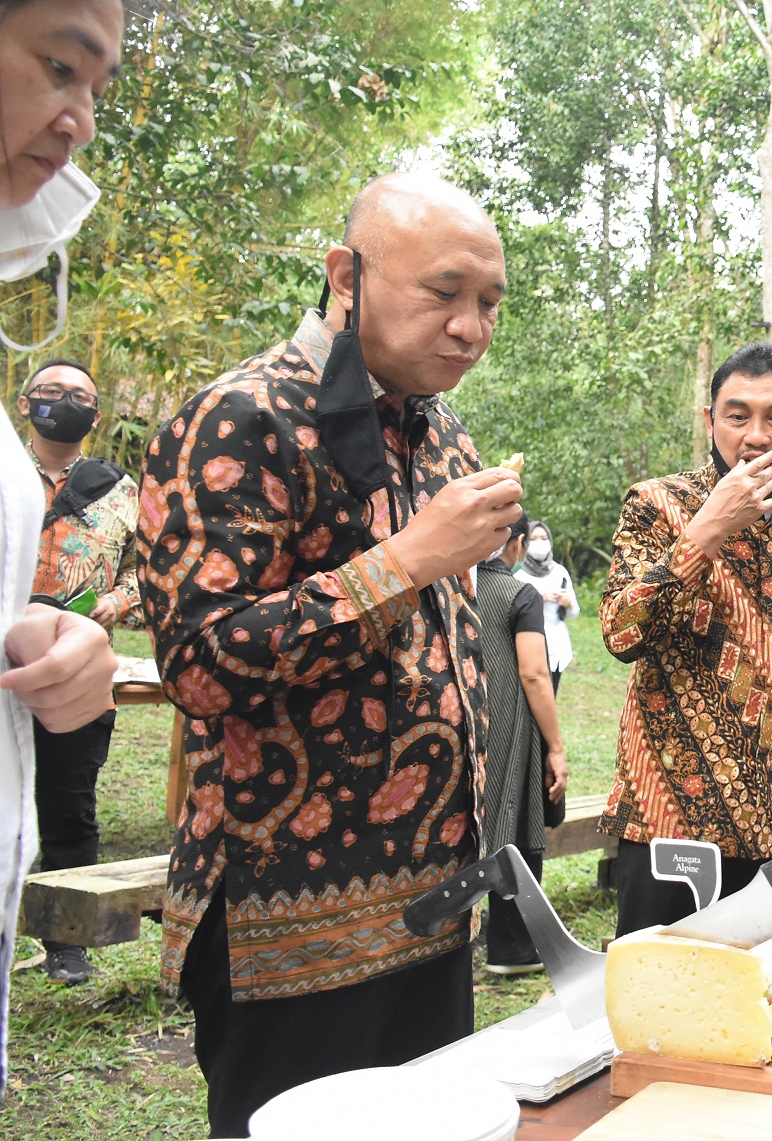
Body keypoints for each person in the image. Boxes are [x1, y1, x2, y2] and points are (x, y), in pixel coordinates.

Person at [138, 172, 521, 1135]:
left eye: (487, 304)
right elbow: (197, 665)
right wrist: (403, 562)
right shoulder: (240, 417)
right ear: (345, 276)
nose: (469, 328)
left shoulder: (440, 433)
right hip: (288, 931)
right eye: (443, 293)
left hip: (432, 908)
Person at [599, 342, 772, 936]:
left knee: (757, 1007)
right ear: (710, 420)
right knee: (654, 1003)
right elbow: (621, 633)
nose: (756, 435)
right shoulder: (658, 505)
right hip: (667, 814)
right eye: (736, 415)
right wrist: (707, 531)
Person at [0, 0, 134, 1092]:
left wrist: (58, 629)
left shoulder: (104, 489)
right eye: (59, 68)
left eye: (99, 89)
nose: (78, 122)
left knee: (74, 805)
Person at [17, 356, 139, 986]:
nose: (66, 402)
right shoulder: (7, 476)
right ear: (24, 403)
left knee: (70, 803)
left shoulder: (120, 487)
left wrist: (109, 605)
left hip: (79, 666)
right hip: (7, 663)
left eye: (80, 396)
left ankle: (67, 943)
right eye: (51, 392)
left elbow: (145, 573)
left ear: (95, 415)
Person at [477, 514, 570, 974]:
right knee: (517, 818)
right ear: (513, 545)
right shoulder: (519, 593)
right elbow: (534, 673)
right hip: (508, 723)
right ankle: (512, 947)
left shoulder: (448, 587)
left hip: (460, 723)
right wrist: (555, 746)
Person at [513, 519, 579, 694]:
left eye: (544, 538)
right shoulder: (519, 578)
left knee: (551, 694)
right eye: (534, 538)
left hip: (557, 646)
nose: (540, 543)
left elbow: (574, 612)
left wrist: (568, 603)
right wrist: (536, 598)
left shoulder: (559, 572)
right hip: (531, 649)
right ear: (525, 542)